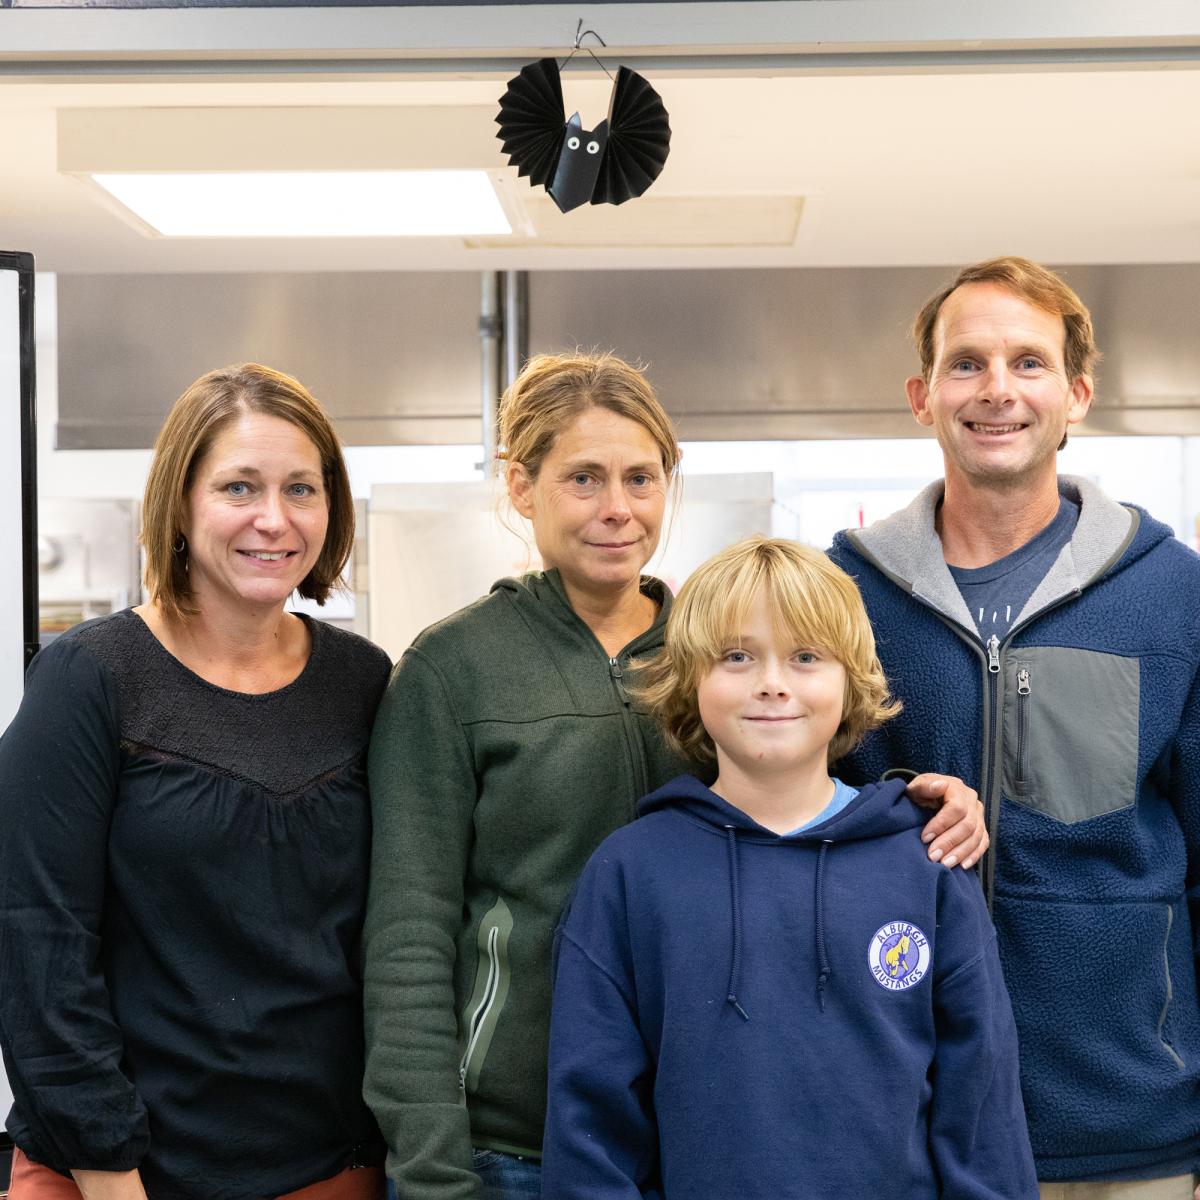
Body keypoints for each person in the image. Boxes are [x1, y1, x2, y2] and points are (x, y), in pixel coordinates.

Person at [362, 352, 986, 1200]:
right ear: (521, 486)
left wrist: (922, 795)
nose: (617, 509)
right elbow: (409, 936)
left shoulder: (714, 645)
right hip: (514, 1144)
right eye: (583, 478)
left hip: (712, 1128)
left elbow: (813, 779)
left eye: (641, 478)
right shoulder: (452, 670)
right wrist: (430, 1163)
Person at [828, 257, 1200, 1200]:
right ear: (922, 396)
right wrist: (891, 803)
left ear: (1077, 394)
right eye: (967, 364)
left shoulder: (1173, 597)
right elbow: (792, 822)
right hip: (905, 1117)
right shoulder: (841, 598)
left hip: (1131, 1130)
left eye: (1028, 364)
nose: (998, 390)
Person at [541, 535, 1037, 1199]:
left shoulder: (928, 863)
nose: (772, 683)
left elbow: (981, 1114)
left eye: (806, 657)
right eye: (737, 656)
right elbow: (590, 1128)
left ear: (850, 680)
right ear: (691, 679)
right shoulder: (629, 876)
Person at [0, 364, 390, 1200]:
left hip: (326, 1166)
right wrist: (110, 1173)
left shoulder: (363, 682)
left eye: (301, 489)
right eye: (239, 487)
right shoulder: (91, 677)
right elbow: (38, 944)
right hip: (114, 1173)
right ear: (180, 503)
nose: (274, 519)